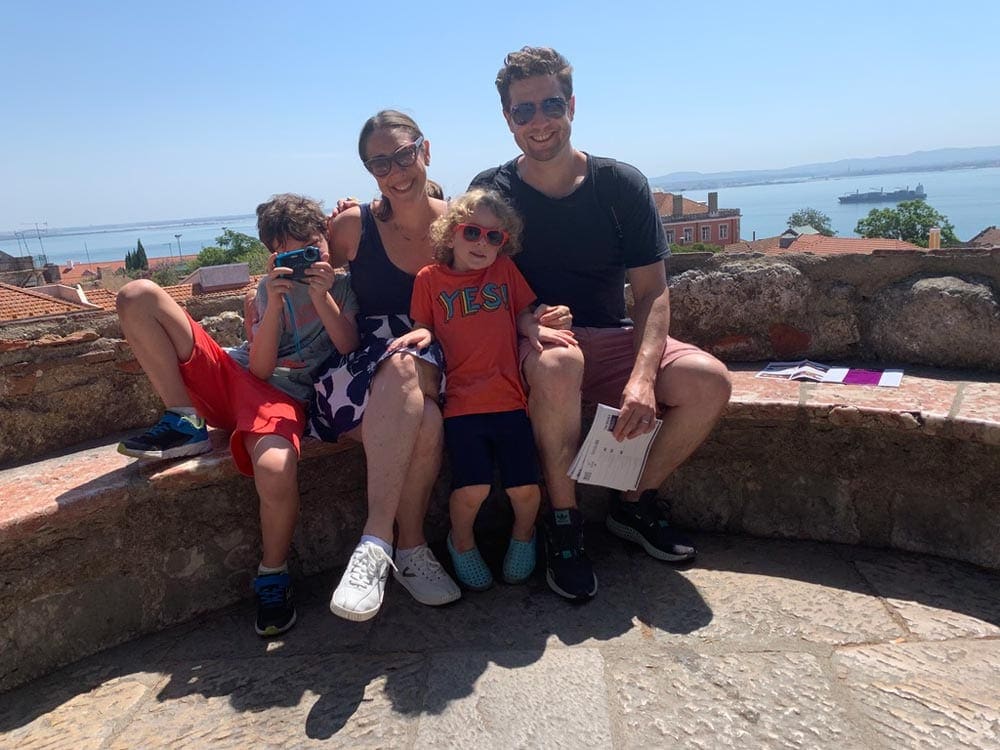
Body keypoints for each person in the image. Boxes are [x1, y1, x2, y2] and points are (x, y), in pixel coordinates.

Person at [470, 47, 733, 601]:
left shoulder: (619, 185)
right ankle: (563, 524)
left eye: (550, 103)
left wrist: (642, 377)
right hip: (536, 350)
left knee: (709, 382)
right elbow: (471, 285)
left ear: (571, 105)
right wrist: (525, 319)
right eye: (523, 111)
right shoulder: (492, 191)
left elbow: (651, 291)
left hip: (613, 338)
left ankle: (632, 502)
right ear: (508, 120)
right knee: (561, 362)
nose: (539, 120)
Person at [117, 193, 359, 636]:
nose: (304, 258)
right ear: (274, 254)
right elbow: (259, 364)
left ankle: (273, 574)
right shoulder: (269, 288)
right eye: (290, 251)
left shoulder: (343, 286)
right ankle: (183, 419)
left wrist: (322, 297)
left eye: (310, 245)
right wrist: (274, 303)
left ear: (325, 239)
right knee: (137, 294)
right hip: (235, 375)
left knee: (276, 466)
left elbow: (345, 345)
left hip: (278, 400)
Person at [310, 110, 462, 621]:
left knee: (407, 367)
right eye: (380, 163)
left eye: (404, 154)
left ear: (426, 150)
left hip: (438, 349)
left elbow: (491, 288)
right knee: (427, 415)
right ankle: (407, 547)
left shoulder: (460, 224)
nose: (396, 171)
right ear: (368, 170)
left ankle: (374, 544)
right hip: (362, 364)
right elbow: (315, 269)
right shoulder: (353, 225)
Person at [388, 189, 577, 590]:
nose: (482, 244)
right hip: (462, 408)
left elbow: (523, 313)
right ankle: (462, 542)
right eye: (472, 232)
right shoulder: (430, 279)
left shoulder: (504, 271)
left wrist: (534, 327)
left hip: (510, 402)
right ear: (450, 234)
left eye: (494, 237)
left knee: (525, 490)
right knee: (471, 490)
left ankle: (523, 537)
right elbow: (425, 324)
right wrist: (418, 333)